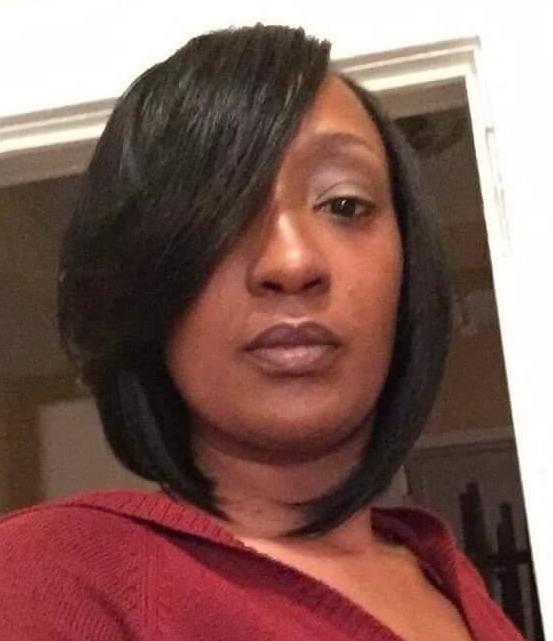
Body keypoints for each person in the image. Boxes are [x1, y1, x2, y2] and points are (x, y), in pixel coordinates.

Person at [0, 23, 525, 641]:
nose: (292, 262)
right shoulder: (47, 579)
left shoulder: (446, 573)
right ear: (147, 281)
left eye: (345, 204)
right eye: (225, 211)